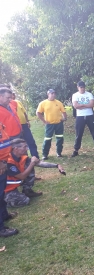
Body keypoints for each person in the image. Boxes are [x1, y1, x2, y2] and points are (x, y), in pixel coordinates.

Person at [5, 138, 66, 207]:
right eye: (24, 147)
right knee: (24, 200)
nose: (27, 149)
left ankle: (27, 191)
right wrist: (32, 163)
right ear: (16, 149)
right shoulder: (8, 161)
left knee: (30, 165)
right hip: (4, 190)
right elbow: (22, 176)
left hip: (12, 187)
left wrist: (57, 165)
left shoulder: (22, 157)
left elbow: (39, 163)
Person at [0, 86, 19, 237]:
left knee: (1, 191)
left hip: (3, 160)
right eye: (7, 97)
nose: (10, 99)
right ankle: (1, 228)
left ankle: (4, 215)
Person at [71, 81, 94, 157]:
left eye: (83, 87)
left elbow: (92, 104)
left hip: (90, 116)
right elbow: (76, 106)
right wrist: (86, 105)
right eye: (81, 87)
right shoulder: (75, 95)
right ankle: (76, 150)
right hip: (80, 117)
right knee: (79, 134)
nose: (82, 88)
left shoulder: (89, 94)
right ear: (78, 87)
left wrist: (82, 105)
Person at [36, 89, 67, 160]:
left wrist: (64, 118)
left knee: (60, 139)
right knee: (47, 139)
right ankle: (45, 154)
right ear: (48, 94)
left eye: (54, 93)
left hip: (59, 124)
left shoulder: (58, 102)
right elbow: (38, 113)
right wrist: (44, 121)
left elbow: (64, 112)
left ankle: (59, 153)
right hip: (49, 125)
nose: (53, 95)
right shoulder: (43, 103)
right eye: (52, 93)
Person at [12, 92, 40, 158]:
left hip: (24, 125)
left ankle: (35, 158)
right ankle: (24, 159)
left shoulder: (18, 102)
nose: (12, 96)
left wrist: (27, 121)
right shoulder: (5, 105)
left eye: (13, 94)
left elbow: (24, 113)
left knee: (31, 141)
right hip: (15, 127)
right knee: (19, 144)